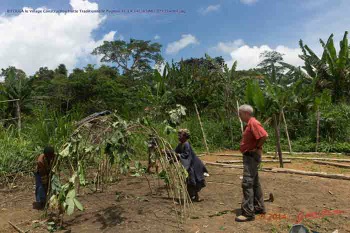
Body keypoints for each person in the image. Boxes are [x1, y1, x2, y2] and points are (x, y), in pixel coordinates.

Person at [235, 105, 268, 222]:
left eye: (240, 113)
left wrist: (257, 147)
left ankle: (248, 213)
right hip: (250, 156)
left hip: (251, 156)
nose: (239, 116)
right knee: (254, 183)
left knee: (247, 183)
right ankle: (259, 207)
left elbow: (264, 135)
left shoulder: (253, 122)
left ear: (245, 113)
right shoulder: (249, 124)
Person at [175, 129, 207, 202]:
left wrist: (178, 155)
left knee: (193, 180)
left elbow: (186, 155)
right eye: (178, 135)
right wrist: (166, 152)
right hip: (188, 165)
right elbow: (175, 152)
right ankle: (194, 197)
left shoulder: (186, 144)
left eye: (181, 135)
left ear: (185, 136)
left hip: (193, 165)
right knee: (189, 181)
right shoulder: (180, 145)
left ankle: (194, 196)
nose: (179, 136)